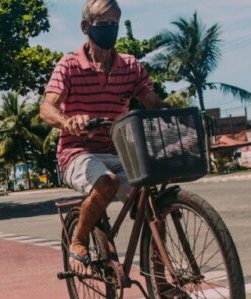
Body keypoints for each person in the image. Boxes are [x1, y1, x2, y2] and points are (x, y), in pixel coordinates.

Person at [39, 0, 168, 271]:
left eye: (114, 24)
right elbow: (46, 109)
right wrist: (68, 121)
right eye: (103, 24)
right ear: (86, 27)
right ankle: (78, 241)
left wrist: (168, 111)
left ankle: (161, 279)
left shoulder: (130, 66)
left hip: (117, 150)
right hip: (76, 153)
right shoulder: (69, 65)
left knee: (151, 204)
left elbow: (150, 101)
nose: (110, 30)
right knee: (106, 182)